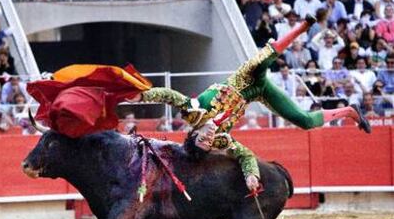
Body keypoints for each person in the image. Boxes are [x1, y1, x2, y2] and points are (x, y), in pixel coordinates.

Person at [130, 15, 371, 191]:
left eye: (203, 138)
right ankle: (350, 111)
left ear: (194, 134)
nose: (210, 138)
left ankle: (303, 26)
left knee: (261, 62)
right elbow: (246, 156)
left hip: (242, 78)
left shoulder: (194, 112)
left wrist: (142, 96)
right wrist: (251, 178)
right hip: (257, 93)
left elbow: (169, 95)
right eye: (210, 144)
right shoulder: (222, 138)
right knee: (306, 121)